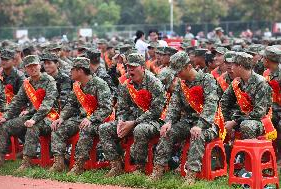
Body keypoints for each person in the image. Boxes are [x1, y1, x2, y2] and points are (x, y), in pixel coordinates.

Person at [150, 51, 219, 186]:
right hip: (188, 122)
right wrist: (168, 122)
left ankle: (191, 175)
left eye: (179, 71)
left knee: (197, 135)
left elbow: (211, 105)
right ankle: (158, 170)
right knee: (167, 132)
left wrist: (200, 124)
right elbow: (174, 105)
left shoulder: (207, 80)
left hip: (208, 123)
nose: (177, 74)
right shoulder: (181, 84)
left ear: (188, 67)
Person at [99, 53, 165, 177]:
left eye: (133, 67)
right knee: (104, 128)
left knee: (140, 129)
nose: (130, 70)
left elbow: (156, 111)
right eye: (128, 67)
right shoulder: (126, 84)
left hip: (153, 121)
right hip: (130, 121)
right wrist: (121, 121)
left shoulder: (154, 83)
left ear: (143, 67)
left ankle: (139, 168)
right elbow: (122, 108)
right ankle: (116, 165)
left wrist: (134, 122)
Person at [49, 57, 112, 174]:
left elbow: (106, 108)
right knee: (58, 128)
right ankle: (59, 162)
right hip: (80, 119)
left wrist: (91, 118)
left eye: (72, 69)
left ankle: (79, 164)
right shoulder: (77, 85)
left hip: (99, 120)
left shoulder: (100, 84)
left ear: (80, 71)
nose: (70, 72)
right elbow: (70, 105)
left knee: (85, 128)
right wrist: (61, 118)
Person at [0, 55, 58, 171]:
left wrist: (34, 119)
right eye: (29, 67)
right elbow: (17, 102)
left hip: (49, 117)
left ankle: (27, 161)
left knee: (32, 127)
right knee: (4, 126)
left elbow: (47, 105)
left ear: (40, 66)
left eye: (35, 66)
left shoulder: (49, 81)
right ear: (25, 69)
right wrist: (5, 116)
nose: (33, 69)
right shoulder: (27, 83)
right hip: (31, 116)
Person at [220, 52, 274, 141]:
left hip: (261, 120)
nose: (231, 68)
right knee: (217, 121)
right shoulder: (237, 82)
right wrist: (226, 121)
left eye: (233, 65)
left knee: (247, 125)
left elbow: (259, 113)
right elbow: (224, 102)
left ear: (240, 66)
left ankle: (247, 152)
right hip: (241, 117)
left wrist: (234, 122)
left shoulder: (261, 83)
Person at [262, 46, 281, 154]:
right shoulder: (266, 73)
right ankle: (271, 152)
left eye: (263, 58)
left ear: (267, 60)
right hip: (272, 108)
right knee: (265, 122)